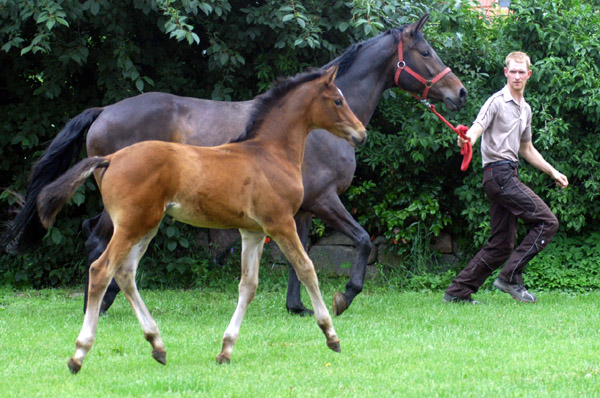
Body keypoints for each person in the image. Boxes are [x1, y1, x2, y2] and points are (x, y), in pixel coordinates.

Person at [443, 51, 569, 304]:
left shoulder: (526, 109)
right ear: (505, 72)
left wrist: (553, 171)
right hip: (498, 174)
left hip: (507, 173)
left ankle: (457, 293)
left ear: (529, 75)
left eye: (522, 72)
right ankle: (510, 277)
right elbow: (478, 126)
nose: (517, 76)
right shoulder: (496, 102)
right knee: (547, 222)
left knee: (501, 244)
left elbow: (527, 148)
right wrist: (467, 139)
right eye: (512, 71)